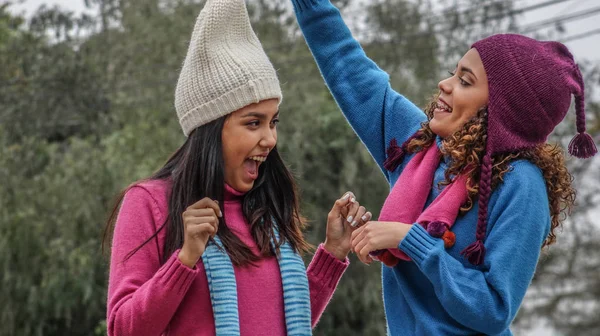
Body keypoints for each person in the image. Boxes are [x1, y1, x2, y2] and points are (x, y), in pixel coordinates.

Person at [290, 0, 598, 335]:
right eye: (454, 72)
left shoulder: (521, 185)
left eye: (465, 81)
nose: (445, 83)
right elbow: (350, 69)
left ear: (500, 111)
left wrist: (412, 241)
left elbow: (493, 309)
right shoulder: (416, 146)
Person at [103, 1, 371, 335]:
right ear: (211, 127)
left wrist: (331, 254)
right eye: (253, 123)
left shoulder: (264, 207)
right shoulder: (149, 202)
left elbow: (283, 321)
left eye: (273, 122)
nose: (270, 138)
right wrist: (185, 258)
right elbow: (123, 329)